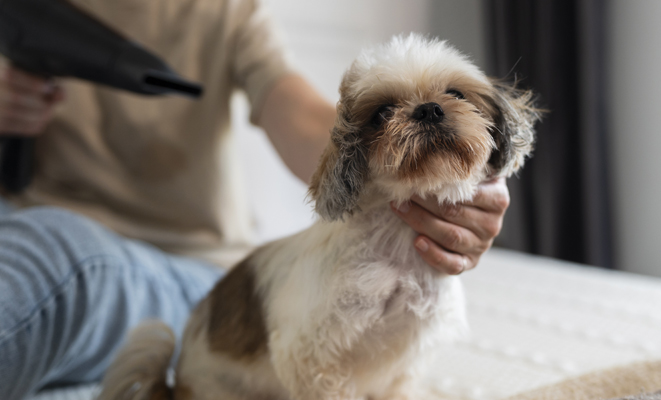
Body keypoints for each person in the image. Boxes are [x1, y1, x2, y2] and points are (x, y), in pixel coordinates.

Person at [0, 0, 510, 398]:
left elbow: (306, 118)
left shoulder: (225, 9)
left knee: (58, 248)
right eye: (384, 114)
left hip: (183, 270)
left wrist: (406, 166)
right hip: (24, 227)